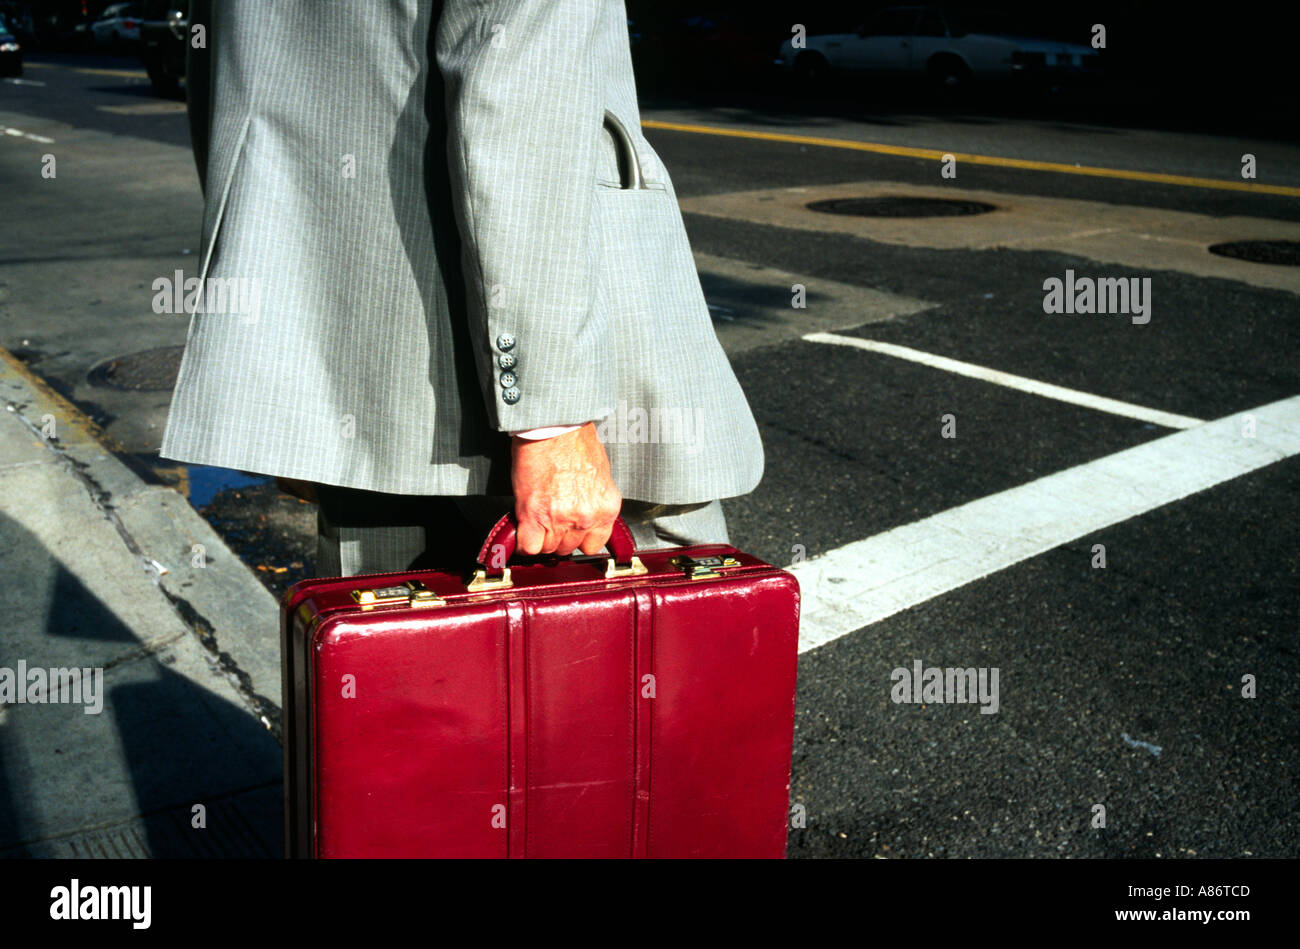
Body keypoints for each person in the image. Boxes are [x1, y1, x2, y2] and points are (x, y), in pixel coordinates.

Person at [160, 0, 764, 576]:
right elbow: (518, 82)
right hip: (538, 348)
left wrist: (295, 396)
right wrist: (554, 422)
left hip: (346, 357)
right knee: (666, 634)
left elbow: (231, 91)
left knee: (395, 656)